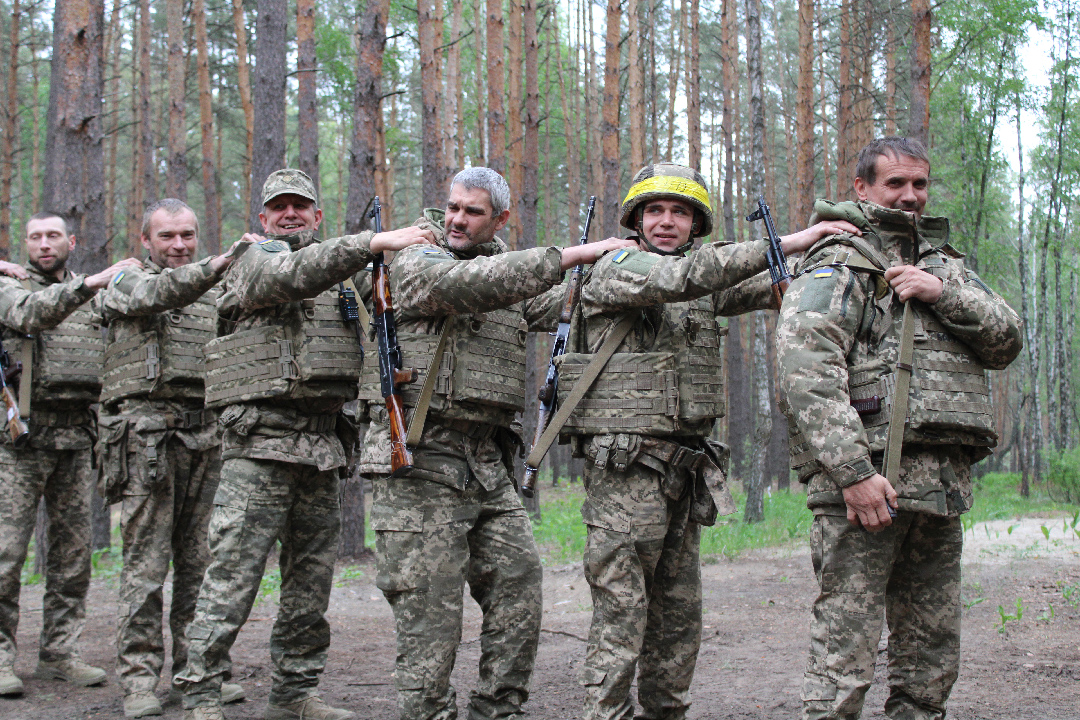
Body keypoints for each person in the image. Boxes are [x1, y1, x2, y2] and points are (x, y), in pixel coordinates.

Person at [546, 162, 850, 720]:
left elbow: (756, 284)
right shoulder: (613, 267)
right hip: (625, 474)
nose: (666, 222)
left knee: (679, 618)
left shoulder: (700, 281)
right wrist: (784, 243)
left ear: (696, 223)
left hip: (684, 475)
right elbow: (683, 278)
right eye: (654, 211)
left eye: (679, 212)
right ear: (636, 220)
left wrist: (825, 253)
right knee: (622, 613)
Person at [356, 167, 634, 720]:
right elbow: (462, 286)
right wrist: (572, 254)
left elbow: (563, 297)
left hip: (485, 463)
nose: (457, 218)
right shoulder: (415, 256)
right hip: (419, 457)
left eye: (473, 211)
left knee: (518, 582)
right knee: (429, 614)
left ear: (500, 219)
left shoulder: (503, 273)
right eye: (453, 206)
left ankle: (499, 708)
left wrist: (623, 259)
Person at [776, 136, 1022, 719]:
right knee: (845, 661)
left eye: (919, 185)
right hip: (864, 489)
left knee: (930, 662)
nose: (910, 197)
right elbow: (806, 369)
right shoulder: (841, 261)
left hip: (938, 492)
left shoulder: (945, 267)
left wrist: (945, 294)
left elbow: (1006, 340)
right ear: (861, 188)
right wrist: (853, 473)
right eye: (895, 184)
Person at [174, 170, 434, 720]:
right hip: (259, 448)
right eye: (279, 207)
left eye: (301, 207)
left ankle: (293, 694)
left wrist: (439, 237)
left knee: (310, 587)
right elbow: (289, 275)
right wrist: (368, 244)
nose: (290, 215)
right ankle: (199, 694)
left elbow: (406, 291)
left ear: (318, 216)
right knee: (231, 580)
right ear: (263, 218)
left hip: (321, 448)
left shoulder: (348, 277)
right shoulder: (251, 262)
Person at [97, 199, 246, 718]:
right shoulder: (124, 281)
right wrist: (216, 266)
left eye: (187, 235)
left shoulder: (215, 292)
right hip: (146, 443)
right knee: (145, 568)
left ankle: (197, 669)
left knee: (201, 567)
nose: (179, 245)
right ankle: (139, 680)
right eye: (167, 237)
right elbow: (156, 294)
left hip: (207, 438)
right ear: (146, 240)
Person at [0, 212, 138, 697]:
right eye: (34, 236)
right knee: (5, 554)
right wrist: (94, 284)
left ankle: (61, 653)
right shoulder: (8, 286)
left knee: (73, 556)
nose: (43, 244)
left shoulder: (94, 292)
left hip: (78, 440)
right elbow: (30, 314)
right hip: (19, 442)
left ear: (70, 241)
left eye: (52, 235)